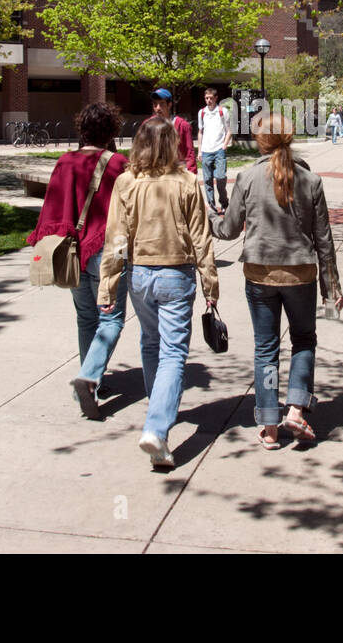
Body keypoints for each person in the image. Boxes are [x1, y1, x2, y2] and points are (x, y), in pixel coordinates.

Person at [211, 112, 343, 449]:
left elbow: (226, 229)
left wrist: (208, 217)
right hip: (300, 274)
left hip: (259, 274)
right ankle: (296, 408)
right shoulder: (310, 181)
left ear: (261, 141)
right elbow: (324, 239)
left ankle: (269, 424)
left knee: (265, 349)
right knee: (303, 340)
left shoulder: (247, 177)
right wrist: (332, 289)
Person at [99, 116, 218, 469]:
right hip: (175, 274)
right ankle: (157, 426)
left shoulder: (126, 183)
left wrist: (108, 284)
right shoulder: (188, 182)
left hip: (139, 275)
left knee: (151, 343)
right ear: (172, 145)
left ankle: (159, 411)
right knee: (172, 351)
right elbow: (201, 238)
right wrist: (210, 283)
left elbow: (117, 239)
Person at [26, 102, 129, 421]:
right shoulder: (118, 163)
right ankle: (90, 377)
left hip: (71, 251)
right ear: (111, 130)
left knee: (86, 317)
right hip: (108, 251)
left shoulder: (65, 162)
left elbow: (53, 208)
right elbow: (129, 209)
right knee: (112, 319)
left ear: (82, 128)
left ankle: (92, 379)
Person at [197, 86, 232, 213]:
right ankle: (212, 206)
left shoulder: (223, 111)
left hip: (219, 150)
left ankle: (224, 202)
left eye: (211, 98)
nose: (208, 100)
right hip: (206, 151)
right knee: (207, 180)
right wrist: (199, 150)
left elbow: (229, 130)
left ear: (216, 98)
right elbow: (200, 132)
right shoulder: (201, 113)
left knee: (220, 177)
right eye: (206, 98)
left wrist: (224, 145)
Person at [151, 87, 196, 173]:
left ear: (169, 104)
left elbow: (189, 152)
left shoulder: (182, 125)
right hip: (155, 171)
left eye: (162, 104)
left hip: (176, 172)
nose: (158, 108)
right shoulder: (148, 125)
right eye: (155, 104)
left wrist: (192, 174)